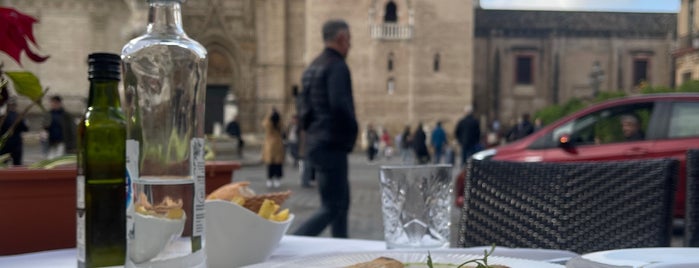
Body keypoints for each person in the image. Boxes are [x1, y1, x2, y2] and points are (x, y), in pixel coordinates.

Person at [293, 19, 358, 238]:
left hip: (317, 142)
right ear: (340, 38)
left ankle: (343, 247)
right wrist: (352, 133)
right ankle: (293, 241)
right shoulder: (336, 66)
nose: (350, 46)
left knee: (340, 204)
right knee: (333, 206)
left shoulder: (313, 66)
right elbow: (341, 106)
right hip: (332, 143)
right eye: (349, 40)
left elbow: (304, 109)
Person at [0, 98, 29, 165]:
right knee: (14, 165)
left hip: (12, 143)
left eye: (13, 105)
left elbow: (25, 128)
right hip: (9, 144)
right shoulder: (5, 116)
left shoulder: (17, 116)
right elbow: (25, 128)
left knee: (7, 165)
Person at [262, 108, 286, 188]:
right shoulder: (278, 124)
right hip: (278, 144)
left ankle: (270, 179)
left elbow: (265, 123)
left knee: (270, 164)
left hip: (270, 144)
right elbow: (282, 124)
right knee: (277, 164)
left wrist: (269, 114)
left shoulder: (269, 124)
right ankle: (276, 179)